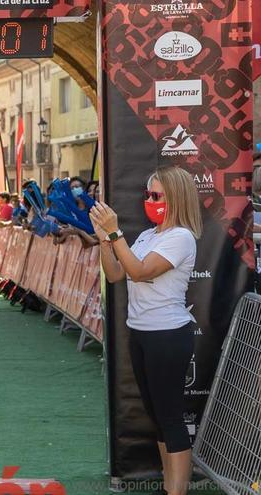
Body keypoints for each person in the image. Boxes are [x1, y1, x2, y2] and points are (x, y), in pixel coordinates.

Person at [90, 166, 201, 495]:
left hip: (167, 336)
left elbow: (138, 272)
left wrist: (116, 234)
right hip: (141, 334)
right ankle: (169, 487)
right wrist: (105, 240)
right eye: (148, 195)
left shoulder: (179, 237)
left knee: (169, 416)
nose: (149, 201)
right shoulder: (148, 235)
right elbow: (114, 275)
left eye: (157, 196)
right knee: (157, 414)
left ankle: (176, 491)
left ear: (176, 198)